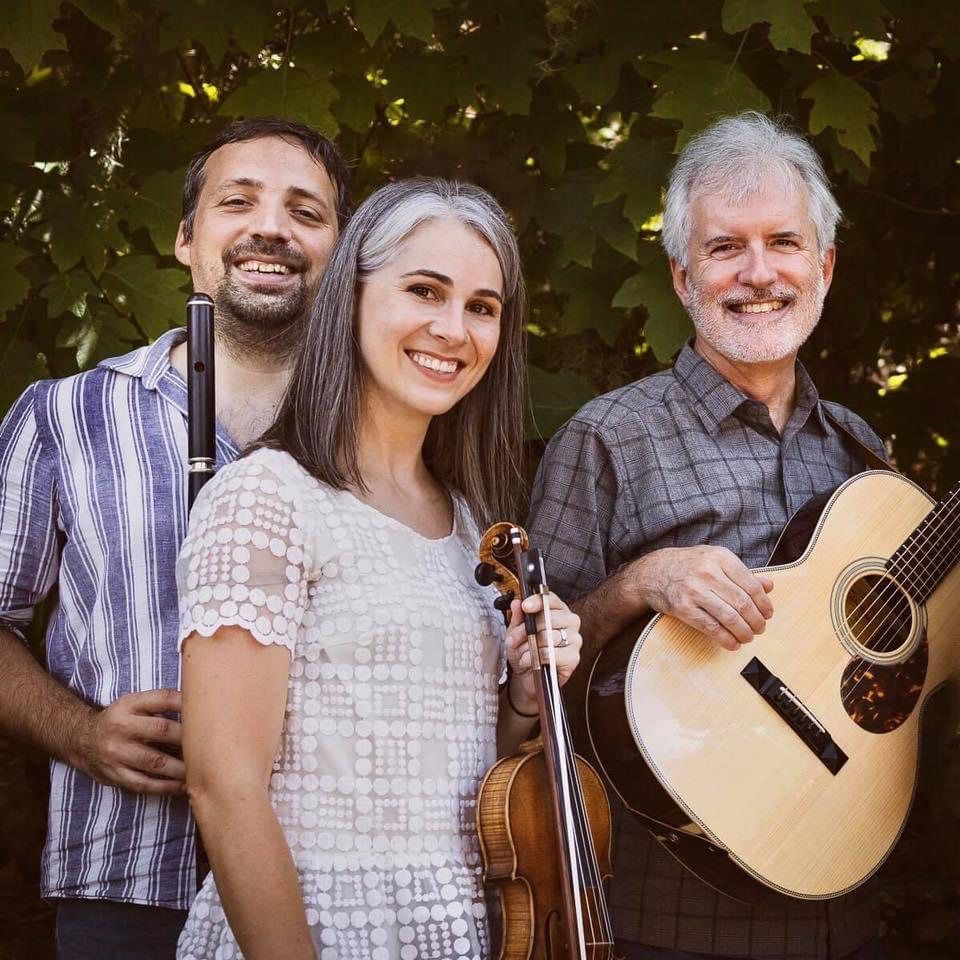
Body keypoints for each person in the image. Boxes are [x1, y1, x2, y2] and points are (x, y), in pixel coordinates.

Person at [173, 177, 583, 960]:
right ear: (351, 300)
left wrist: (526, 698)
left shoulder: (470, 522)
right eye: (424, 290)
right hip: (312, 928)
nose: (452, 329)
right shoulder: (269, 497)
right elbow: (225, 789)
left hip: (460, 928)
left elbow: (457, 766)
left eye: (482, 306)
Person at [526, 112, 887, 960]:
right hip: (679, 917)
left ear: (824, 267)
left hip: (853, 908)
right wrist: (637, 583)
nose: (759, 273)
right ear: (684, 278)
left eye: (785, 243)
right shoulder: (608, 437)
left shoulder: (863, 452)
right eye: (726, 248)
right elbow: (522, 684)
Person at [0, 116, 351, 958]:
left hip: (336, 878)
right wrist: (80, 732)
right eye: (239, 202)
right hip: (130, 883)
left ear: (343, 251)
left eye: (307, 211)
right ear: (187, 238)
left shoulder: (393, 435)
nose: (272, 226)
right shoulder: (66, 415)